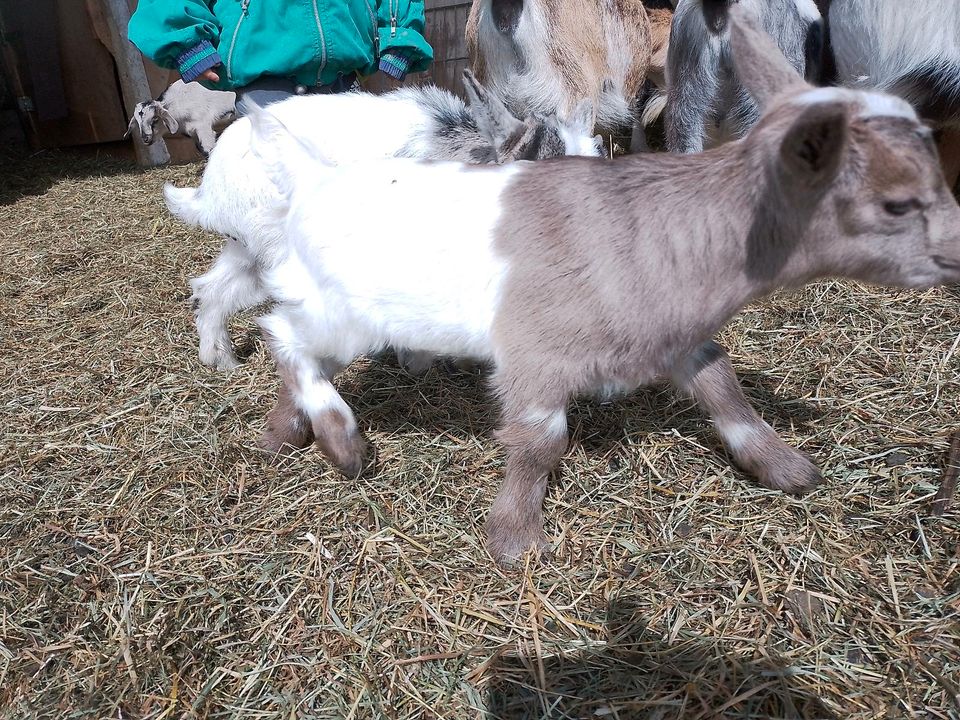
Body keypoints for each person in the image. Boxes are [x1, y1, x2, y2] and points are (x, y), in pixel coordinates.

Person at [127, 0, 433, 110]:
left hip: (344, 81)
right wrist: (186, 42)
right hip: (265, 81)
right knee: (273, 187)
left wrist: (398, 34)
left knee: (349, 182)